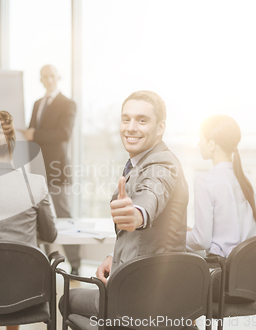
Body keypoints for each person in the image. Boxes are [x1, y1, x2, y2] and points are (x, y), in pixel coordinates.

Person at [61, 90, 188, 317]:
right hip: (147, 285)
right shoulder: (141, 161)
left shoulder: (162, 164)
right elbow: (143, 241)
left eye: (142, 120)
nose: (131, 127)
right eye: (126, 119)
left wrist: (137, 214)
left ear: (160, 127)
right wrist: (115, 259)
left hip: (144, 296)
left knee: (65, 299)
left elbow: (151, 196)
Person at [0, 111, 57, 330]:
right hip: (27, 289)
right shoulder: (36, 183)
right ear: (13, 144)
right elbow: (50, 234)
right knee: (13, 282)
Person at [20, 64, 80, 275]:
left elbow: (63, 134)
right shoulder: (37, 104)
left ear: (58, 77)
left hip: (57, 170)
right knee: (40, 217)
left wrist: (34, 135)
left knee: (64, 215)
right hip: (37, 169)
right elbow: (31, 132)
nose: (49, 79)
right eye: (45, 76)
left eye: (52, 76)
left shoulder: (68, 104)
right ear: (41, 79)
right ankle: (46, 262)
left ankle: (75, 263)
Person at [187, 115, 256, 256]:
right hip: (245, 270)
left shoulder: (204, 180)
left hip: (220, 270)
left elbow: (202, 241)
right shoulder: (245, 180)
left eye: (201, 139)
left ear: (212, 144)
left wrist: (174, 237)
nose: (198, 144)